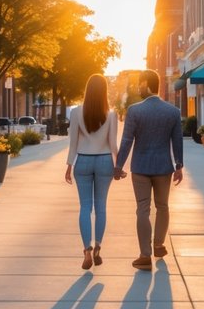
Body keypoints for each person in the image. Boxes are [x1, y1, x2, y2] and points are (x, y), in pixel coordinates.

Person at [115, 69, 183, 271]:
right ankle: (159, 244)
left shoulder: (135, 111)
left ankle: (145, 255)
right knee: (163, 207)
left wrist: (118, 166)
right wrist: (179, 165)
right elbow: (177, 141)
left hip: (141, 168)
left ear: (146, 84)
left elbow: (127, 141)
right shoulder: (173, 112)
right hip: (164, 167)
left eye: (139, 84)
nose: (137, 87)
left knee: (143, 209)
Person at [64, 74, 120, 270]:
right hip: (105, 160)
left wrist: (69, 165)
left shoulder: (76, 112)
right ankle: (98, 248)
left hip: (84, 160)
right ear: (104, 91)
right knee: (101, 206)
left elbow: (73, 143)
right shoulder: (112, 114)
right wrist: (118, 165)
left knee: (85, 207)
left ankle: (86, 249)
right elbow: (113, 144)